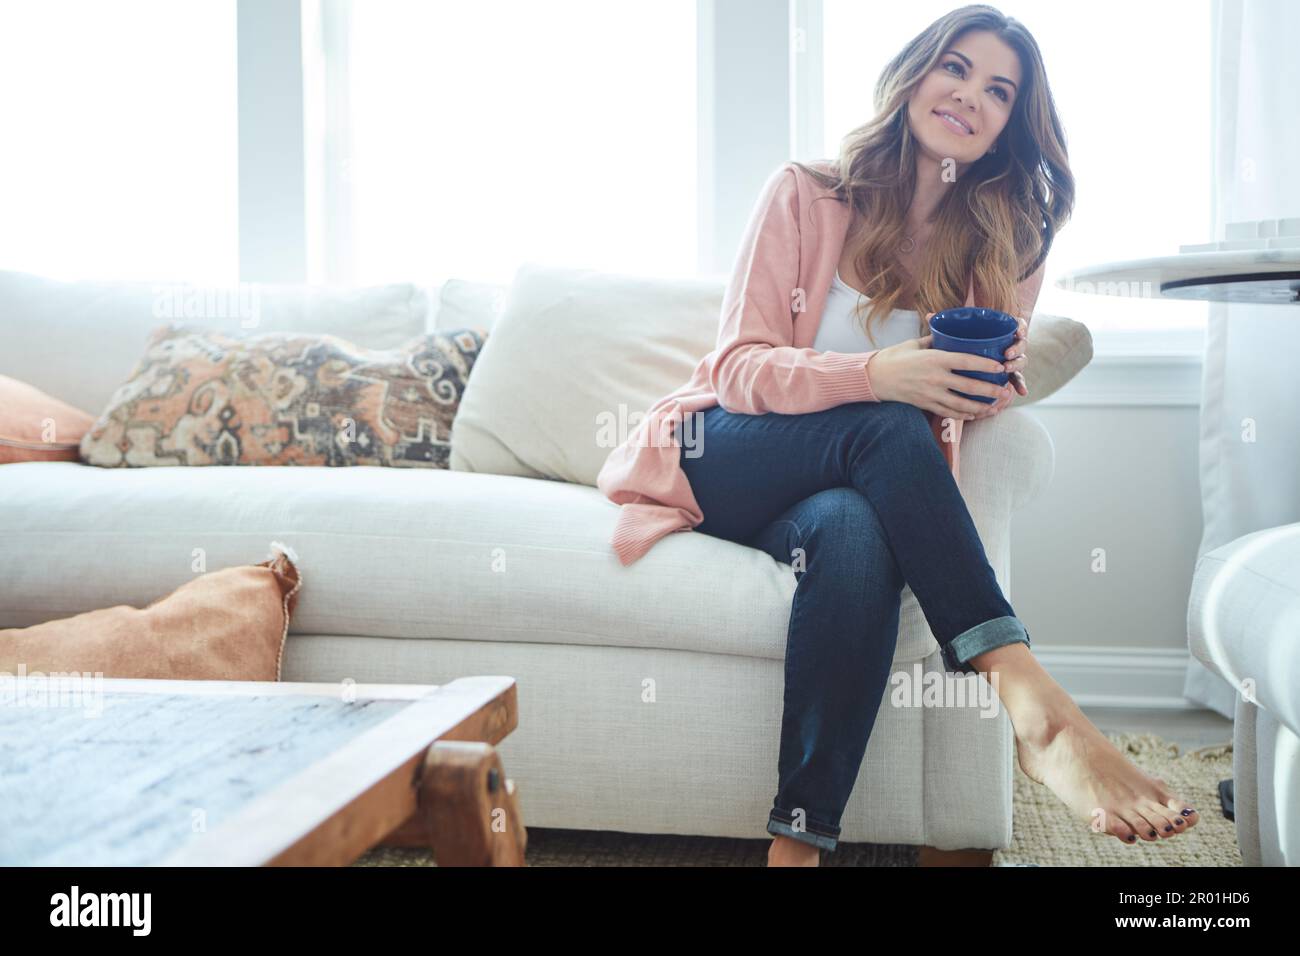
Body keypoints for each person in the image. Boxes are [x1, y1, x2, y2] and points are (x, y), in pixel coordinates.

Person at [595, 4, 1201, 866]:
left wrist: (991, 381)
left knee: (852, 536)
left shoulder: (1007, 234)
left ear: (1008, 127)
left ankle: (797, 844)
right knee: (881, 423)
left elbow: (962, 405)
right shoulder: (807, 192)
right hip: (719, 453)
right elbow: (738, 369)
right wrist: (877, 377)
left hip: (835, 495)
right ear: (916, 74)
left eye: (1000, 91)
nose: (971, 97)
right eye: (956, 68)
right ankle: (1034, 702)